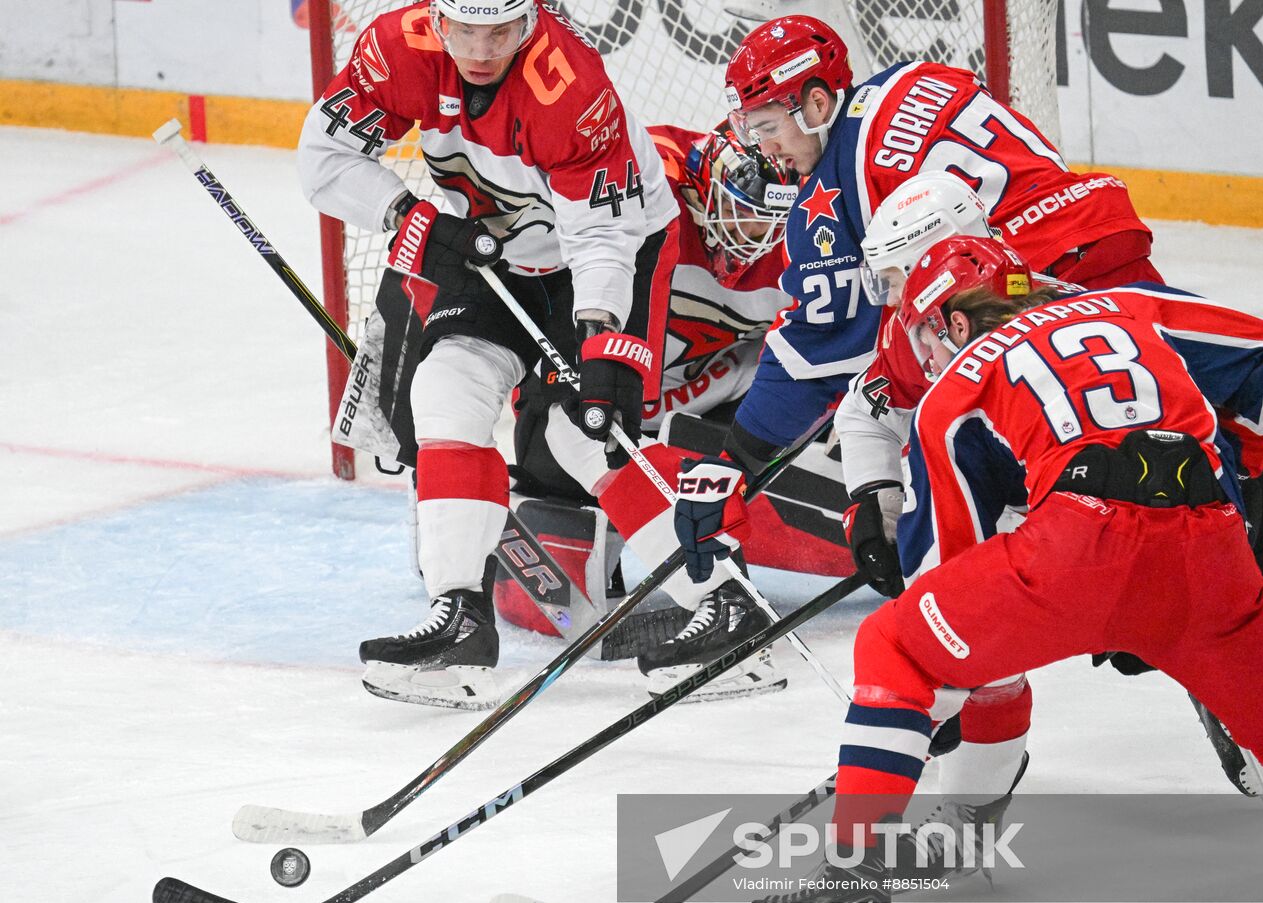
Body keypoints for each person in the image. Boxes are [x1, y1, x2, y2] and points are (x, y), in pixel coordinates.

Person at [718, 235, 1263, 903]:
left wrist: (921, 712)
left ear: (949, 322)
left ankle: (846, 889)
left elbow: (948, 575)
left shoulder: (956, 389)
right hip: (1214, 552)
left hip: (1080, 549)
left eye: (924, 334)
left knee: (897, 647)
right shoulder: (1135, 307)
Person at [655, 12, 1162, 673]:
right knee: (1175, 430)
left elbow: (819, 349)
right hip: (1106, 240)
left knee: (947, 431)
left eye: (769, 127)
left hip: (1022, 291)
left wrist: (734, 462)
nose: (768, 149)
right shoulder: (917, 80)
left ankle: (958, 651)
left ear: (814, 103)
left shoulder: (829, 196)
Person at [297, 0, 684, 708]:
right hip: (491, 251)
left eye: (500, 30)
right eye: (464, 29)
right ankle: (461, 621)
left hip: (605, 251)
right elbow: (322, 161)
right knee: (444, 393)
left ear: (530, 20)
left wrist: (599, 337)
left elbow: (602, 239)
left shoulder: (569, 88)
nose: (480, 48)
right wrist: (406, 214)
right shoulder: (397, 48)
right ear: (438, 18)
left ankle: (716, 599)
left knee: (586, 428)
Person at [504, 121, 820, 700]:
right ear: (703, 189)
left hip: (703, 406)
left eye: (772, 218)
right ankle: (719, 594)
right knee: (575, 428)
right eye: (744, 212)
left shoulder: (803, 233)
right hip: (602, 387)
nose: (757, 234)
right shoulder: (646, 184)